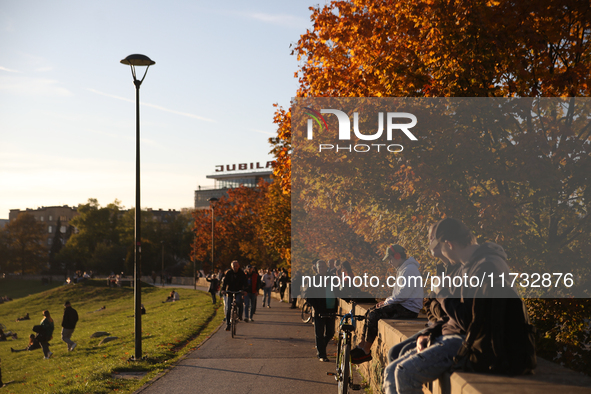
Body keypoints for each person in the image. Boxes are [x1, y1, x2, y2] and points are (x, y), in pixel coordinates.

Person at [383, 218, 512, 394]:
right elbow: (449, 314)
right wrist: (430, 332)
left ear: (449, 244)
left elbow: (469, 320)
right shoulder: (471, 266)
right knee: (392, 370)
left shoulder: (485, 267)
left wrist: (442, 292)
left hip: (474, 342)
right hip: (456, 334)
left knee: (404, 373)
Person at [351, 244, 423, 364]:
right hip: (403, 305)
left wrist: (387, 302)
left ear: (397, 256)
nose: (390, 262)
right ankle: (362, 345)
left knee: (374, 315)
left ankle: (366, 351)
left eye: (390, 259)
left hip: (408, 309)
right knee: (370, 311)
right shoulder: (404, 269)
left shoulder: (409, 270)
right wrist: (386, 302)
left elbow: (402, 295)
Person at [306, 260, 337, 362]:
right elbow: (307, 295)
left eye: (323, 266)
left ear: (326, 267)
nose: (322, 268)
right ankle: (322, 355)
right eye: (320, 267)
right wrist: (316, 306)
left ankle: (321, 346)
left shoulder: (332, 278)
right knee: (319, 333)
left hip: (331, 310)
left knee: (330, 333)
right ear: (317, 268)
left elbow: (339, 290)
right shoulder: (313, 280)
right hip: (319, 311)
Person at [220, 261, 247, 331]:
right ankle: (228, 324)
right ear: (231, 267)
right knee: (228, 308)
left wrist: (245, 290)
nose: (235, 267)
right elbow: (224, 282)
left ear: (239, 266)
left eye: (236, 266)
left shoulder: (241, 273)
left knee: (239, 301)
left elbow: (245, 282)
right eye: (234, 266)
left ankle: (240, 314)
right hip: (230, 291)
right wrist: (223, 290)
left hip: (239, 291)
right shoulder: (229, 273)